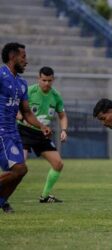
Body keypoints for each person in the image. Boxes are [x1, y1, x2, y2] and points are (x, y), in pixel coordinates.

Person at [0, 42, 51, 213]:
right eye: (23, 56)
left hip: (13, 132)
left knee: (21, 171)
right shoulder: (1, 75)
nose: (26, 61)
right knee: (19, 169)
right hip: (1, 132)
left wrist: (41, 126)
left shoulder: (21, 84)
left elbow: (27, 112)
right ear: (12, 57)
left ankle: (2, 201)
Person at [17, 66, 68, 203]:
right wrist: (21, 116)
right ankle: (4, 197)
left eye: (49, 81)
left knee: (58, 164)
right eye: (44, 80)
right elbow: (16, 110)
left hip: (42, 134)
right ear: (39, 78)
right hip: (24, 132)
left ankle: (45, 196)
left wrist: (63, 130)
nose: (46, 83)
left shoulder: (56, 95)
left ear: (53, 80)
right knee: (18, 166)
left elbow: (62, 116)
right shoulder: (29, 91)